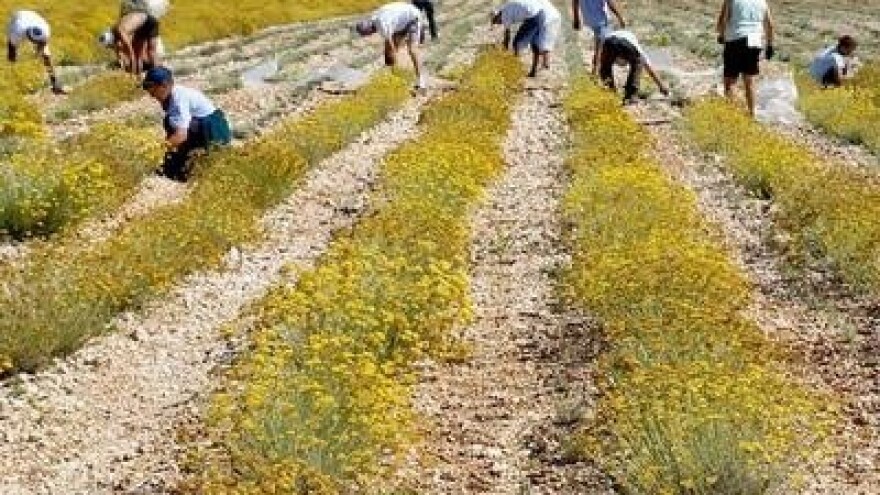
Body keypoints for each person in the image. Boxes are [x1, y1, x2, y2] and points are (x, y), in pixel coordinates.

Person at [142, 66, 231, 181]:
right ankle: (180, 162)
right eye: (147, 88)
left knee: (174, 128)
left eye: (152, 89)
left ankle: (201, 161)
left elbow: (181, 135)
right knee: (169, 122)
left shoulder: (178, 99)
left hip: (214, 131)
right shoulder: (171, 95)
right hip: (202, 126)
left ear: (164, 85)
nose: (151, 94)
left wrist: (156, 151)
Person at [716, 0, 774, 117]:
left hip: (736, 37)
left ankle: (729, 114)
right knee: (749, 80)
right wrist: (770, 45)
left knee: (730, 80)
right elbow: (770, 25)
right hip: (755, 39)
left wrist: (721, 35)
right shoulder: (761, 1)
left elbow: (723, 20)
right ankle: (752, 113)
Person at [355, 2, 428, 90]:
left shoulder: (382, 25)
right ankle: (393, 77)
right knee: (390, 50)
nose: (370, 35)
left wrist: (393, 59)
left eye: (368, 34)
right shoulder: (374, 19)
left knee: (412, 49)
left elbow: (391, 48)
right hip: (401, 21)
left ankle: (421, 80)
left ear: (369, 29)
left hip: (413, 18)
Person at [491, 0, 562, 78]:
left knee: (517, 43)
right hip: (540, 12)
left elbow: (507, 37)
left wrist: (504, 51)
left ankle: (514, 67)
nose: (498, 23)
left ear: (498, 16)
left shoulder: (504, 15)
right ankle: (533, 71)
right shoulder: (507, 7)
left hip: (533, 16)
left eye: (496, 21)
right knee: (535, 44)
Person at [598, 29, 669, 104]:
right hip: (624, 43)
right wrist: (662, 86)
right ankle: (630, 96)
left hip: (608, 42)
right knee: (638, 62)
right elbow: (650, 70)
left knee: (605, 67)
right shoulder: (637, 49)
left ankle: (610, 92)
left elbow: (601, 60)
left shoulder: (615, 37)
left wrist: (597, 68)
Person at [6, 10, 65, 94]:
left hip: (33, 17)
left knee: (46, 56)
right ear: (28, 37)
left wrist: (38, 54)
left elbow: (44, 48)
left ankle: (55, 84)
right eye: (34, 42)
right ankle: (11, 81)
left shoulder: (46, 30)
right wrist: (13, 65)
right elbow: (11, 48)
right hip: (17, 17)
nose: (36, 45)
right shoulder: (17, 32)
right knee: (12, 55)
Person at [572, 0, 626, 75]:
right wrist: (620, 17)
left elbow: (575, 1)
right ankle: (596, 70)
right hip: (601, 19)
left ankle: (597, 66)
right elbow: (610, 2)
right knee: (602, 44)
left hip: (589, 18)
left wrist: (576, 18)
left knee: (601, 43)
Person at [114, 0, 168, 75]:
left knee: (140, 55)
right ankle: (159, 74)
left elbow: (130, 53)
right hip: (148, 19)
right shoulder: (121, 27)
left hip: (145, 21)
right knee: (149, 53)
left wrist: (128, 62)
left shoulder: (120, 31)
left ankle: (154, 76)